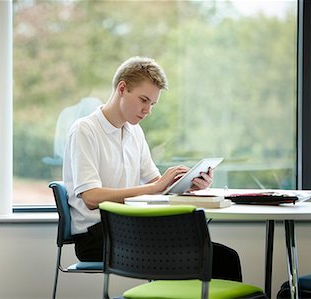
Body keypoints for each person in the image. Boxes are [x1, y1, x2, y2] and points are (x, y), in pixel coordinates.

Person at [63, 56, 242, 281]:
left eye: (152, 104)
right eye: (143, 100)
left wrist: (187, 186)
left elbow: (155, 186)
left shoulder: (134, 132)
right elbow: (90, 197)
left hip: (130, 227)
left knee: (223, 257)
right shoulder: (85, 130)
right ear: (122, 88)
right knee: (214, 258)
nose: (147, 110)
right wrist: (157, 187)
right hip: (98, 236)